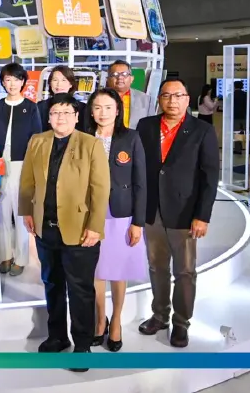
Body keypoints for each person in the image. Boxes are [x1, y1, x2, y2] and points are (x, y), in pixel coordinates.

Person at [18, 93, 110, 372]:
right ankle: (57, 336)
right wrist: (27, 212)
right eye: (55, 112)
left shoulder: (91, 144)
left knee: (80, 290)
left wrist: (95, 226)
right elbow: (27, 181)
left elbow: (100, 189)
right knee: (52, 283)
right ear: (48, 117)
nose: (61, 117)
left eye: (67, 112)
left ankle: (82, 345)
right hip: (46, 228)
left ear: (77, 116)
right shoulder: (37, 141)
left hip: (80, 230)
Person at [135, 78, 219, 348]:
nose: (172, 101)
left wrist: (202, 216)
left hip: (185, 212)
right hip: (152, 210)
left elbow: (210, 176)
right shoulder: (146, 126)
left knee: (184, 271)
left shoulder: (202, 130)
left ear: (187, 99)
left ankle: (181, 323)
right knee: (157, 266)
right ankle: (160, 315)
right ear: (159, 99)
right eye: (166, 95)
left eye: (178, 95)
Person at [83, 88, 147, 353]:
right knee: (96, 271)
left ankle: (117, 319)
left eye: (108, 107)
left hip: (121, 214)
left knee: (119, 271)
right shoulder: (83, 137)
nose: (103, 113)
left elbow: (141, 182)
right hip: (90, 214)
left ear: (118, 110)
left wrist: (138, 222)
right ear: (91, 111)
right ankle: (101, 320)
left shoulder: (131, 137)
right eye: (97, 107)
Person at [0, 63, 41, 277]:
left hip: (22, 165)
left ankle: (21, 258)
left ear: (23, 82)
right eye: (8, 79)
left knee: (21, 213)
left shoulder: (31, 107)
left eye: (17, 79)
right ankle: (5, 256)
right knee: (1, 212)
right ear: (2, 82)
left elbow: (36, 140)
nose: (12, 84)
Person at [106, 60, 156, 129]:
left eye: (124, 74)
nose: (120, 77)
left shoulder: (146, 99)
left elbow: (152, 126)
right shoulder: (98, 98)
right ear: (108, 79)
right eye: (115, 74)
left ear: (132, 79)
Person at [37, 65, 85, 133]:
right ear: (50, 83)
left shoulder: (83, 108)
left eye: (64, 80)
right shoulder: (40, 107)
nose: (59, 84)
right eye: (55, 80)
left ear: (71, 84)